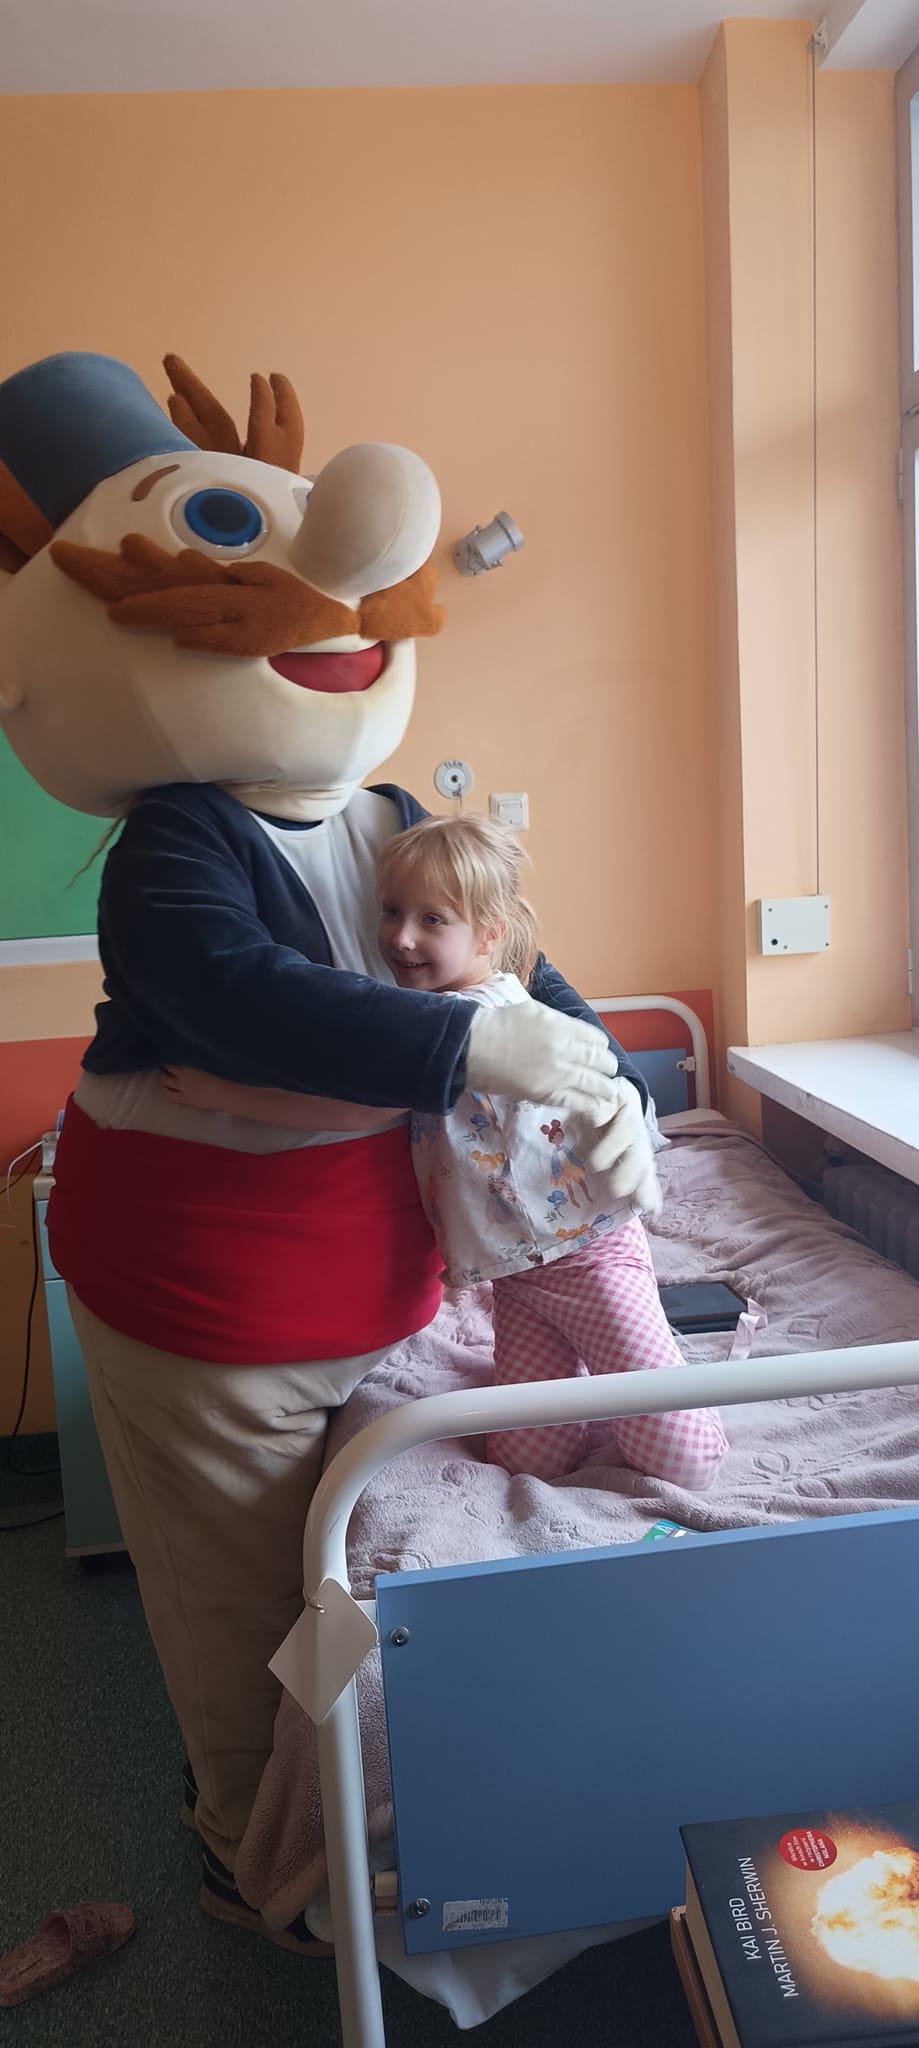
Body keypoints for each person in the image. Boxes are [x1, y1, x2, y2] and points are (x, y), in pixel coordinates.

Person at [0, 349, 661, 1945]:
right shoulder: (173, 842)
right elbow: (237, 994)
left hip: (379, 1289)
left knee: (340, 1583)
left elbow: (513, 963)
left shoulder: (382, 820)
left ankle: (343, 1807)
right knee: (236, 1615)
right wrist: (472, 1048)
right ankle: (248, 1858)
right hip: (212, 1313)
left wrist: (608, 1079)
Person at [166, 814, 728, 1488]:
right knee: (523, 1461)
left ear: (489, 933)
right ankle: (600, 1394)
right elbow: (353, 1100)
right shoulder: (419, 1026)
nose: (401, 938)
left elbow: (353, 1107)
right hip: (512, 1277)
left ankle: (656, 1393)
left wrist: (225, 1096)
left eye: (432, 920)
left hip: (588, 1254)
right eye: (391, 911)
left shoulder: (497, 1021)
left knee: (685, 1460)